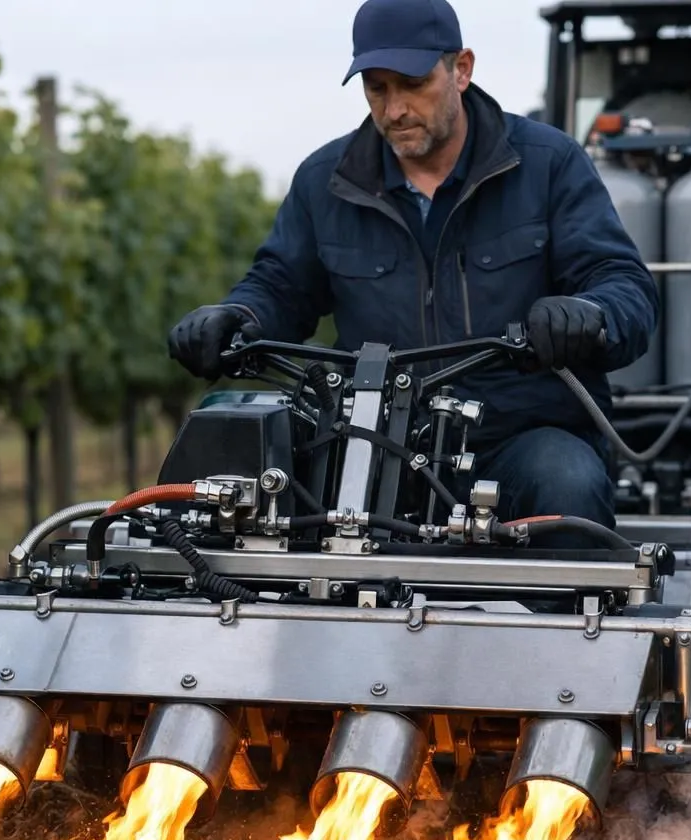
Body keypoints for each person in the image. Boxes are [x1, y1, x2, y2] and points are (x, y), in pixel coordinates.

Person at [166, 0, 659, 534]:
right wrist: (237, 316)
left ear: (461, 69)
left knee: (567, 479)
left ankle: (573, 618)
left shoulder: (549, 164)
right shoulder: (323, 181)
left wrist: (587, 314)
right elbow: (280, 288)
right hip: (371, 444)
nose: (394, 108)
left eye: (412, 83)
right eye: (377, 88)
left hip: (521, 439)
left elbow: (624, 286)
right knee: (247, 497)